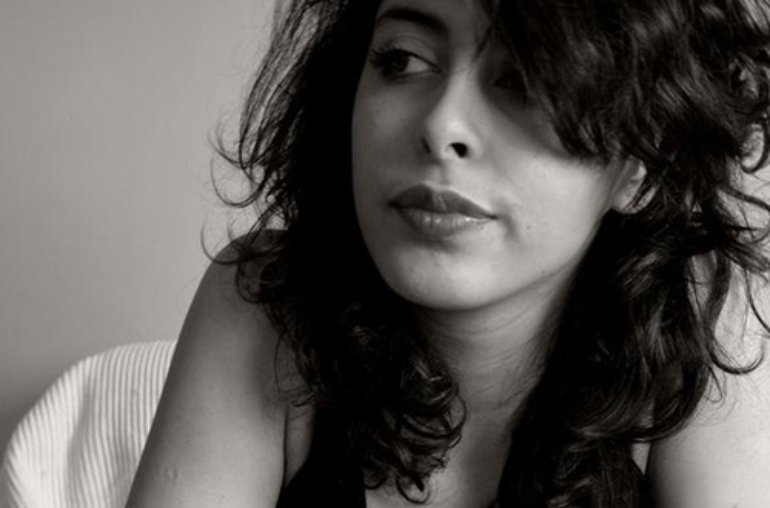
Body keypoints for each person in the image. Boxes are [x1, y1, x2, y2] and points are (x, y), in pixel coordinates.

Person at [126, 0, 770, 506]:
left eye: (525, 78)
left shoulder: (701, 316)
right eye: (401, 59)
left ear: (641, 165)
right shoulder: (268, 301)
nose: (441, 125)